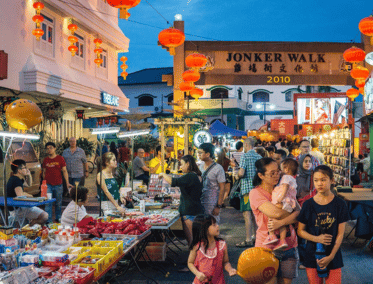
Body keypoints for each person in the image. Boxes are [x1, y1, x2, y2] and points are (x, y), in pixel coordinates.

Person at [249, 158, 300, 284]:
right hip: (267, 247)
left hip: (289, 245)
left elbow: (300, 213)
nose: (277, 175)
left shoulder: (282, 188)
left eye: (278, 172)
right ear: (261, 175)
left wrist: (282, 222)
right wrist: (292, 210)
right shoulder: (255, 193)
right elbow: (275, 213)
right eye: (272, 173)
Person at [297, 165, 349, 284]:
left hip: (333, 254)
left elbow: (340, 234)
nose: (319, 183)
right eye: (316, 180)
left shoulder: (340, 204)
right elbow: (300, 231)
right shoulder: (308, 204)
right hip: (312, 254)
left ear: (332, 180)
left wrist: (331, 256)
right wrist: (317, 238)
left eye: (323, 179)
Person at [159, 155, 204, 245]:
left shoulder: (190, 176)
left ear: (188, 164)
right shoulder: (197, 175)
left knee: (192, 242)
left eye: (182, 164)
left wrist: (163, 174)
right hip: (197, 210)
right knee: (197, 241)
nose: (180, 167)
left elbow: (174, 182)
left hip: (189, 212)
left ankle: (194, 259)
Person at [187, 215, 237, 284]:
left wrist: (230, 269)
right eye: (214, 225)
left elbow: (225, 262)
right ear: (205, 229)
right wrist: (197, 273)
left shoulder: (221, 245)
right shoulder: (197, 246)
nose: (217, 226)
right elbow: (190, 263)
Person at [264, 158, 299, 251]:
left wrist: (280, 198)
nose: (279, 172)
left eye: (281, 168)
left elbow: (285, 187)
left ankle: (272, 235)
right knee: (281, 222)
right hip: (289, 203)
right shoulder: (293, 178)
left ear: (286, 169)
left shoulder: (286, 177)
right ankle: (282, 240)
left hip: (283, 201)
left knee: (272, 216)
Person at [236, 137, 262, 248]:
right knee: (256, 215)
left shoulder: (245, 156)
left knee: (247, 215)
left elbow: (241, 173)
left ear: (246, 145)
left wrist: (237, 175)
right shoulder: (259, 157)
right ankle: (257, 238)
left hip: (247, 190)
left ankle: (248, 239)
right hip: (258, 190)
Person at [7, 159, 48, 226]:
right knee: (44, 216)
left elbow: (29, 184)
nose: (27, 169)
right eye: (24, 168)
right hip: (18, 210)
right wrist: (31, 196)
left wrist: (29, 175)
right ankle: (30, 226)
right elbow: (20, 195)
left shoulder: (16, 178)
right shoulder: (16, 180)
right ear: (19, 170)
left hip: (19, 208)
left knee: (43, 215)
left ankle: (30, 226)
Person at [43, 142, 72, 223]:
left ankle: (58, 218)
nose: (49, 150)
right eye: (47, 148)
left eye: (51, 148)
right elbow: (44, 172)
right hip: (48, 185)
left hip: (58, 184)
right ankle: (48, 220)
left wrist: (67, 183)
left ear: (55, 148)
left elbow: (65, 171)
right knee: (48, 203)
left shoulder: (60, 158)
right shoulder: (46, 160)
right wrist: (43, 184)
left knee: (58, 203)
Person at [198, 143, 226, 223]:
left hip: (212, 203)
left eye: (200, 153)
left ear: (207, 154)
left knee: (212, 224)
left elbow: (222, 188)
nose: (198, 155)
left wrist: (218, 206)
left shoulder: (218, 168)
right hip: (201, 201)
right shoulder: (201, 166)